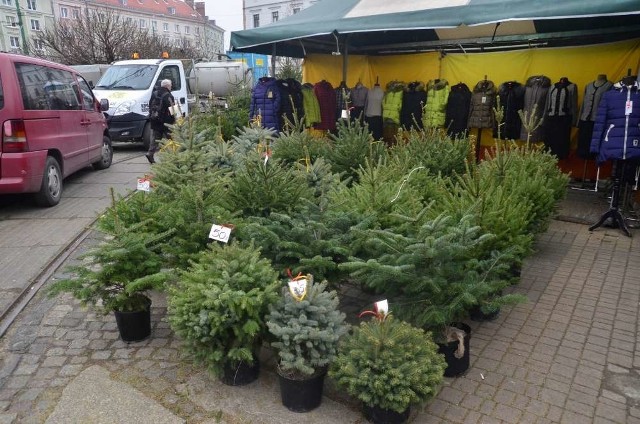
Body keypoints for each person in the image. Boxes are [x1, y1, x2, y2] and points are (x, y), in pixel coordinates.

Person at [146, 79, 175, 164]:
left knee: (155, 139)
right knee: (171, 139)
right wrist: (174, 119)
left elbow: (150, 105)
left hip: (155, 120)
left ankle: (150, 153)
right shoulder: (168, 95)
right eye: (170, 85)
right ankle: (174, 155)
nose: (171, 87)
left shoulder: (154, 93)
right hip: (166, 121)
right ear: (167, 86)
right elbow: (172, 109)